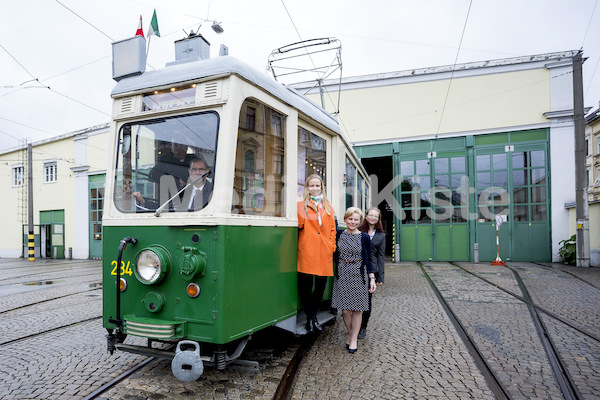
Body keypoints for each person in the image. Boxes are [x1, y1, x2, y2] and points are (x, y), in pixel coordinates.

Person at [331, 207, 376, 354]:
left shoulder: (364, 237)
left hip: (359, 274)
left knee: (357, 309)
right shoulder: (338, 235)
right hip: (342, 273)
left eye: (356, 219)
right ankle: (350, 333)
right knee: (345, 310)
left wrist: (372, 278)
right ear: (345, 219)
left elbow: (369, 259)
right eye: (350, 219)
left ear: (360, 221)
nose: (353, 222)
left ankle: (354, 338)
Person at [297, 174, 336, 333]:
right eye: (311, 186)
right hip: (308, 250)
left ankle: (311, 318)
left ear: (321, 187)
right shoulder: (303, 204)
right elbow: (300, 224)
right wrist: (300, 203)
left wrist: (331, 246)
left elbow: (332, 229)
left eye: (317, 186)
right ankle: (311, 318)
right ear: (307, 188)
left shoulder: (327, 206)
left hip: (324, 250)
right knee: (306, 287)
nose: (314, 188)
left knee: (320, 287)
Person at [132, 156, 213, 211]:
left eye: (201, 169)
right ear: (189, 171)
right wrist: (142, 201)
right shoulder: (180, 192)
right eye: (194, 169)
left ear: (207, 171)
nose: (197, 173)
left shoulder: (213, 191)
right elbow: (163, 208)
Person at [357, 207, 386, 339]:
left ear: (378, 219)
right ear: (366, 216)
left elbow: (381, 256)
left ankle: (363, 327)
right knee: (355, 299)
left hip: (371, 271)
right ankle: (354, 326)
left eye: (376, 216)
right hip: (357, 267)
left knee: (367, 301)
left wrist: (381, 275)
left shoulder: (381, 235)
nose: (373, 218)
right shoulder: (358, 230)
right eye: (371, 215)